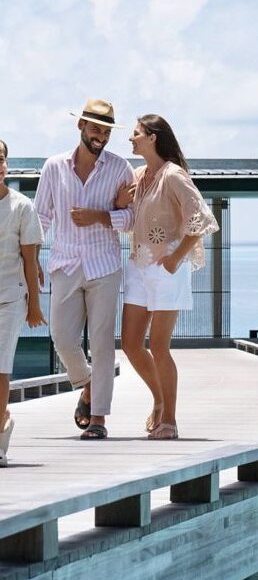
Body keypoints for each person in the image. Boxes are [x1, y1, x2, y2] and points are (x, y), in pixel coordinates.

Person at [34, 99, 134, 440]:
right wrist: (32, 257)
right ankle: (88, 384)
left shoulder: (120, 168)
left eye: (106, 132)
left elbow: (132, 218)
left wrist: (100, 217)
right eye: (95, 129)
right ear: (81, 126)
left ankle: (98, 418)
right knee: (62, 337)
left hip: (104, 265)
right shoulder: (54, 167)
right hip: (64, 263)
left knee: (103, 342)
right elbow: (41, 216)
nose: (101, 137)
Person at [120, 115, 218, 440]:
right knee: (131, 344)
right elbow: (124, 209)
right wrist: (122, 200)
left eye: (136, 134)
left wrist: (176, 259)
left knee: (159, 346)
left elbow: (202, 218)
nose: (130, 139)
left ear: (153, 137)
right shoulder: (140, 175)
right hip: (138, 266)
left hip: (166, 269)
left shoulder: (174, 175)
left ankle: (170, 421)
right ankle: (159, 400)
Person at [0, 140, 45, 465]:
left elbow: (31, 261)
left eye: (1, 158)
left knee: (0, 367)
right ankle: (4, 417)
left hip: (10, 298)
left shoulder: (22, 207)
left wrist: (34, 306)